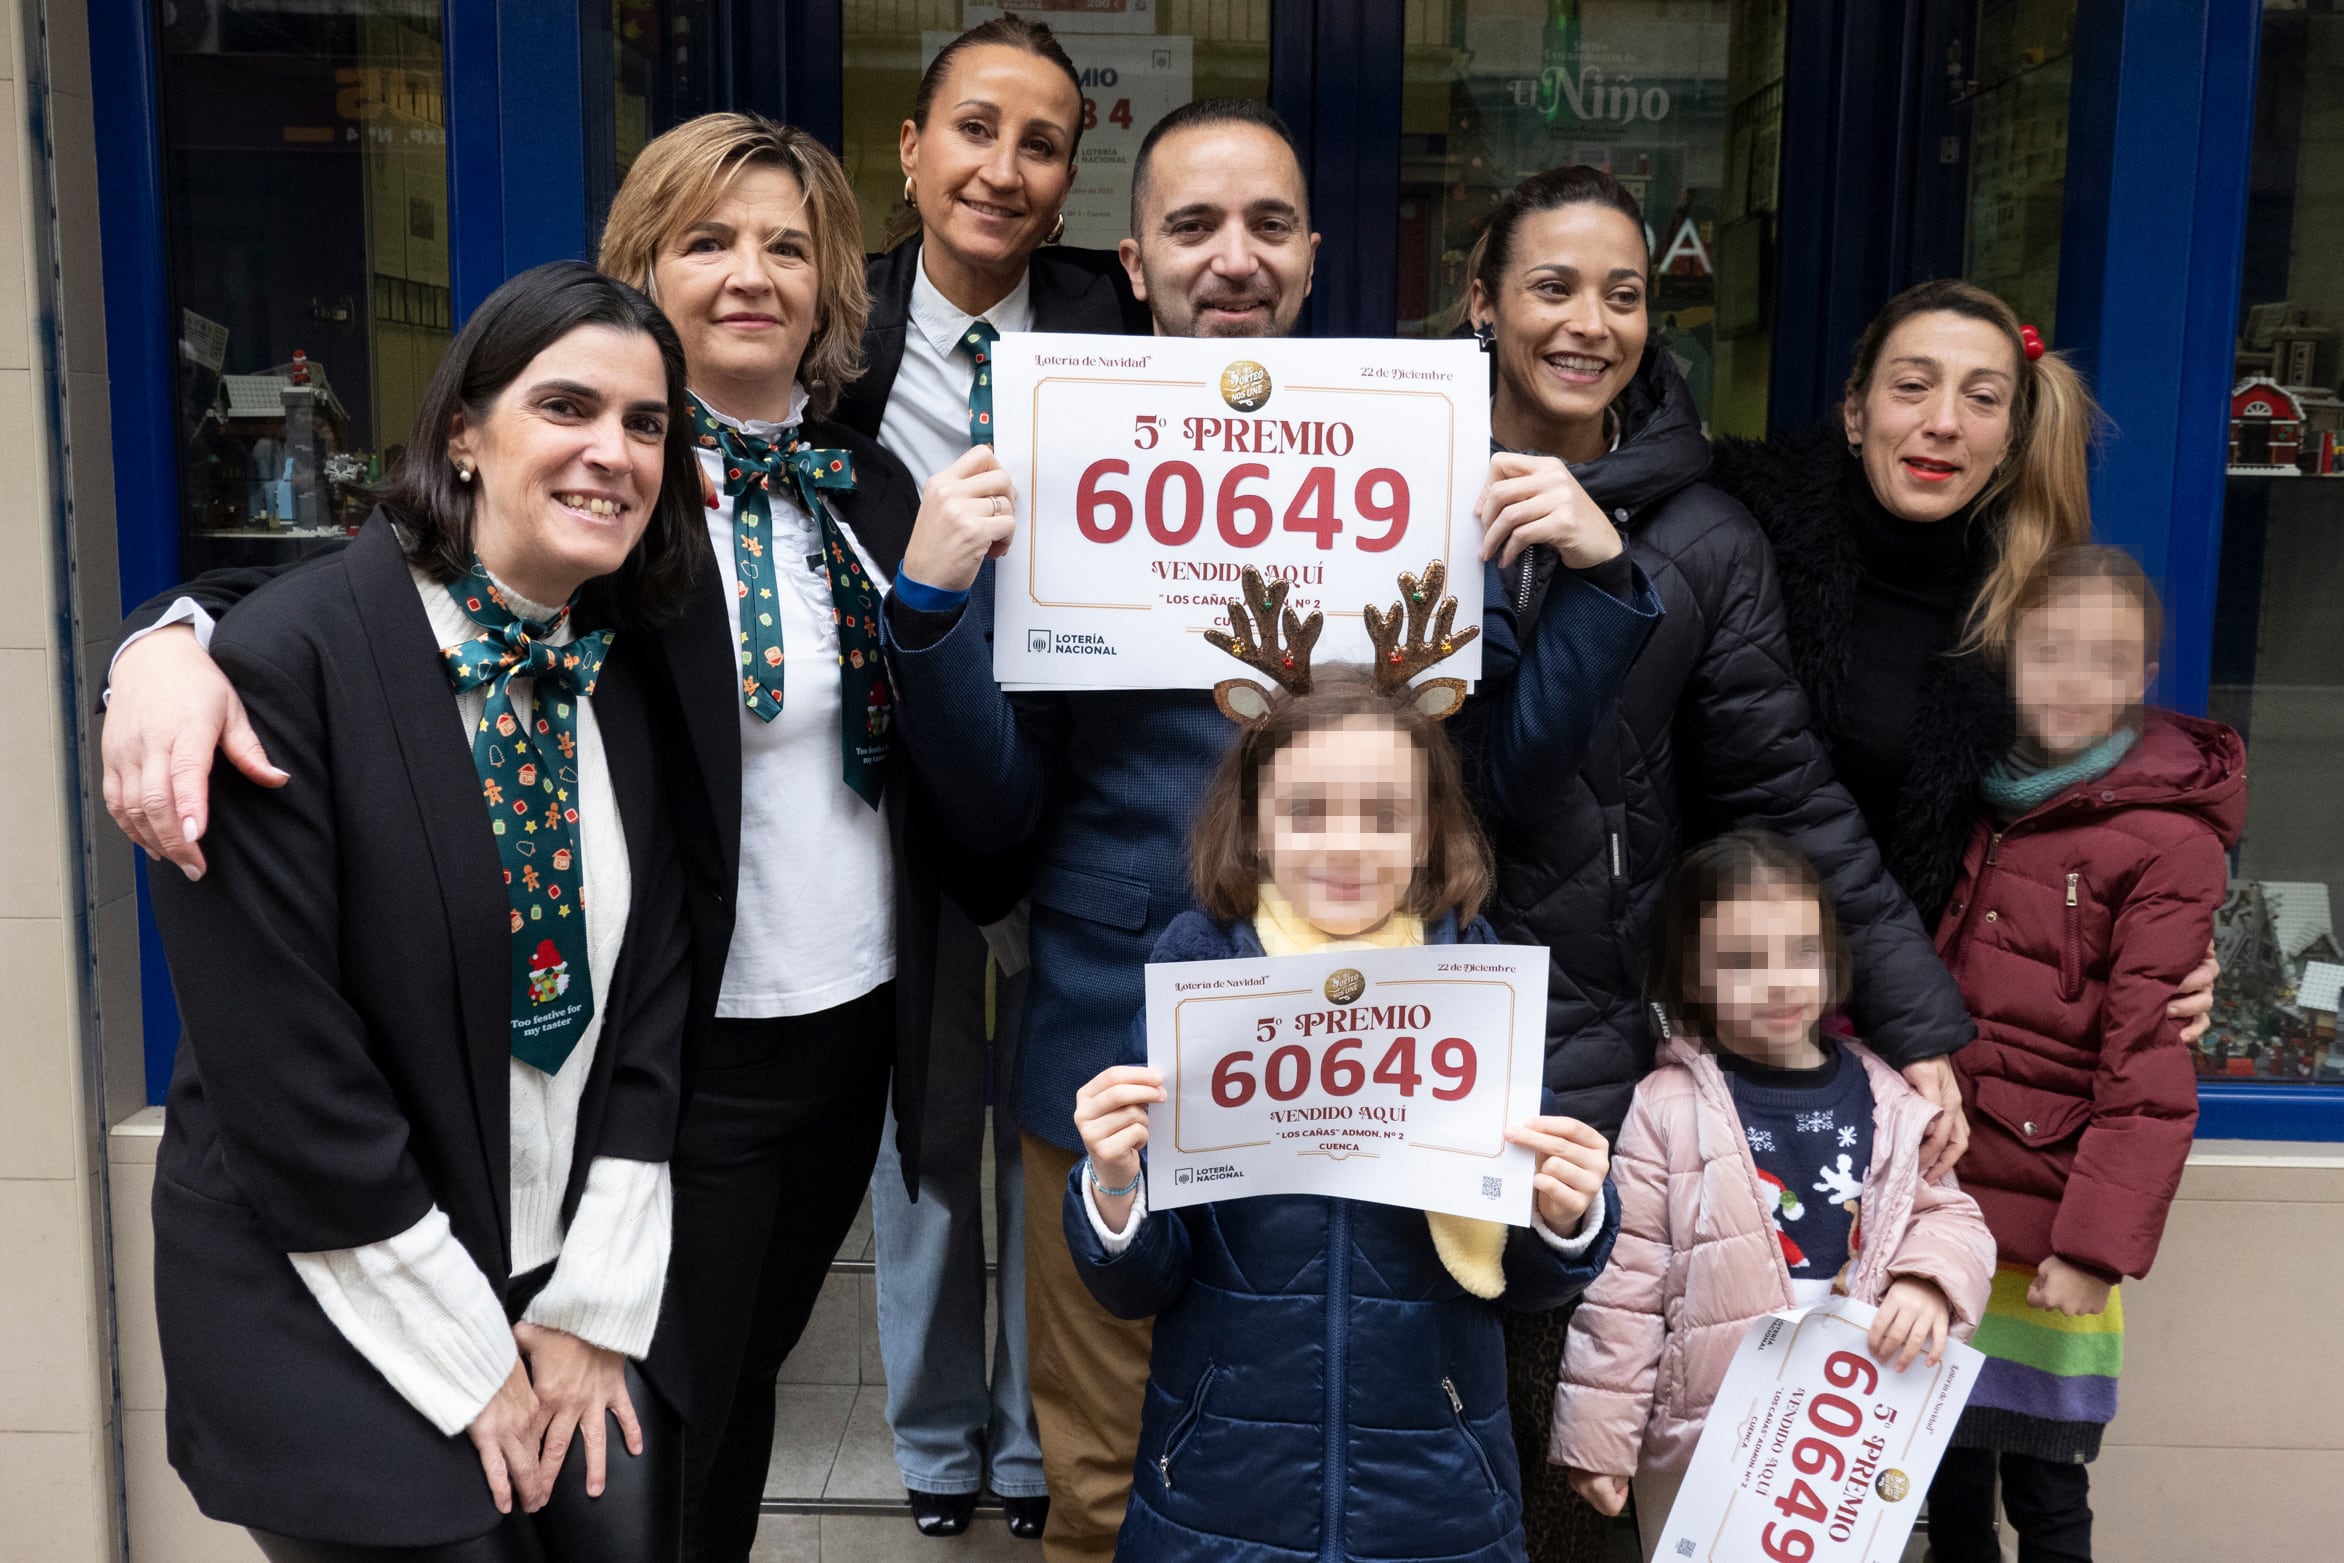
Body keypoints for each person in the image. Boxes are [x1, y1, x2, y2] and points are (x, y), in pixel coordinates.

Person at [101, 115, 1012, 1563]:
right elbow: (388, 583)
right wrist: (165, 640)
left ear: (834, 278)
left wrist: (935, 609)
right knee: (651, 1438)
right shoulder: (618, 521)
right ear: (641, 267)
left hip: (839, 1029)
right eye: (708, 239)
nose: (752, 272)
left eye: (787, 245)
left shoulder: (867, 491)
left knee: (738, 1388)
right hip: (676, 1056)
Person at [880, 99, 1662, 1562]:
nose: (1232, 256)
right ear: (1132, 260)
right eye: (1192, 225)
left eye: (1267, 226)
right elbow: (996, 803)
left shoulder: (1413, 445)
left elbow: (1493, 779)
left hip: (1396, 1065)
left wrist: (1601, 581)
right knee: (1104, 1484)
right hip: (1120, 1046)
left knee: (1356, 1454)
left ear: (1312, 255)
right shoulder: (1055, 454)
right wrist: (927, 608)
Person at [1456, 167, 1978, 1558]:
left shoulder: (1701, 532)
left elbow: (1778, 783)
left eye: (1623, 294)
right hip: (1394, 1020)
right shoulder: (1383, 482)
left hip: (1585, 1032)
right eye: (1553, 286)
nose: (1590, 322)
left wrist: (1916, 1016)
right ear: (1481, 301)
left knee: (1566, 1437)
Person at [145, 261, 703, 1560]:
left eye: (645, 423)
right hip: (329, 1269)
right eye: (566, 406)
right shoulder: (284, 668)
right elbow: (289, 1079)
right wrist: (472, 1359)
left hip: (558, 1266)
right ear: (464, 429)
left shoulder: (622, 667)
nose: (612, 451)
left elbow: (651, 1000)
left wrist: (591, 1306)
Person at [1063, 597, 1622, 1562]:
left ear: (1428, 831)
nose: (1348, 844)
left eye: (1384, 815)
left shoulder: (1472, 980)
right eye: (1309, 811)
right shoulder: (1200, 971)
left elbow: (1527, 1279)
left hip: (1437, 1497)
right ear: (1256, 823)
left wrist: (1567, 1215)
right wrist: (1114, 1189)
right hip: (1220, 1495)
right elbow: (1141, 1281)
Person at [839, 17, 1149, 1539]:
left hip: (1071, 782)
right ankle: (933, 1435)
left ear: (1070, 180)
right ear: (911, 149)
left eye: (1042, 145)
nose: (1002, 170)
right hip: (889, 792)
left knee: (1052, 1118)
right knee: (924, 1128)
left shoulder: (1116, 317)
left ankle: (1032, 1443)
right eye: (974, 129)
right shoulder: (833, 327)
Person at [1706, 280, 2219, 1040]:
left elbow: (2089, 801)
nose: (1943, 422)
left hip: (1909, 1032)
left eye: (1981, 399)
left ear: (2009, 436)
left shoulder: (2031, 596)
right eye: (1912, 387)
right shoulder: (1733, 532)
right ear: (1855, 412)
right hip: (1712, 1003)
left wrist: (2157, 933)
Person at [1550, 830, 1996, 1562]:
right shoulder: (1666, 1105)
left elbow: (1952, 1215)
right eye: (1742, 962)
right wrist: (1600, 1438)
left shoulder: (1887, 1094)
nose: (1780, 982)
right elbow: (1626, 1287)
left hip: (1848, 1433)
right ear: (1692, 975)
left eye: (1800, 952)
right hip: (1705, 1441)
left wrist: (1928, 1282)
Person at [1924, 547, 2243, 1563]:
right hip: (1946, 1209)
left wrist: (2095, 1248)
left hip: (2054, 1224)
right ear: (2011, 658)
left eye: (2104, 660)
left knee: (2047, 1481)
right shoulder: (1980, 794)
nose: (2072, 680)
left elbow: (2149, 1070)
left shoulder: (2169, 842)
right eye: (2050, 651)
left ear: (2142, 676)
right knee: (1944, 1469)